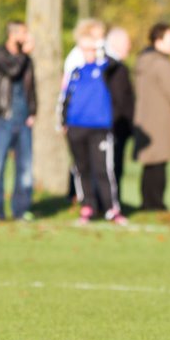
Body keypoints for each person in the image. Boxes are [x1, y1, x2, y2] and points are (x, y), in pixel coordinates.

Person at [62, 20, 126, 225]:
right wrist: (63, 120)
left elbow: (115, 63)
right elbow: (65, 96)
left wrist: (101, 47)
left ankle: (111, 208)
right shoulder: (75, 70)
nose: (89, 52)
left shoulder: (105, 67)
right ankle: (87, 206)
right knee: (82, 169)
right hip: (76, 125)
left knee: (103, 169)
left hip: (99, 126)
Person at [134, 23, 170, 212]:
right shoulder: (161, 64)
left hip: (146, 119)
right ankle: (155, 204)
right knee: (158, 164)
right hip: (161, 120)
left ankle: (148, 201)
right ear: (159, 41)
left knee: (151, 165)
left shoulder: (143, 62)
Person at [0, 21, 36, 221]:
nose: (27, 38)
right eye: (24, 33)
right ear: (14, 35)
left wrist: (33, 111)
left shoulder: (26, 59)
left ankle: (22, 209)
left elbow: (32, 86)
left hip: (24, 118)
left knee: (25, 167)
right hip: (2, 116)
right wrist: (24, 54)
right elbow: (13, 71)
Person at [103, 27, 136, 210]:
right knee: (112, 167)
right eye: (126, 43)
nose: (129, 46)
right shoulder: (112, 67)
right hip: (114, 126)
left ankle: (114, 202)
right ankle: (111, 204)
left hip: (119, 126)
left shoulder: (116, 66)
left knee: (116, 167)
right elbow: (120, 100)